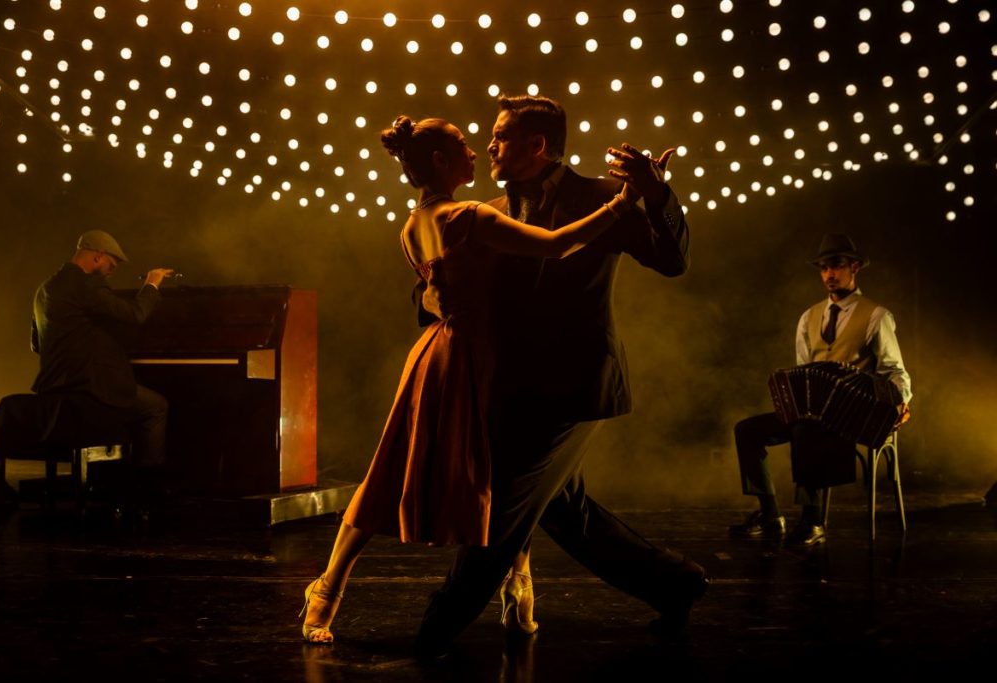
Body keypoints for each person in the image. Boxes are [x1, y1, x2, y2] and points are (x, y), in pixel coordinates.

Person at [298, 115, 646, 644]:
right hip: (466, 360)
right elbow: (555, 245)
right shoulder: (469, 214)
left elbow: (439, 292)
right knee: (484, 476)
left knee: (474, 474)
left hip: (443, 354)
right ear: (439, 161)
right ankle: (507, 585)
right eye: (463, 144)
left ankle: (330, 589)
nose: (478, 150)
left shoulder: (411, 225)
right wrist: (622, 205)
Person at [414, 95, 706, 657]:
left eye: (499, 135)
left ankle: (436, 630)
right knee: (568, 515)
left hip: (575, 385)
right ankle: (678, 584)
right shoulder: (491, 210)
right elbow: (457, 293)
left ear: (537, 145)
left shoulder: (602, 198)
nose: (490, 145)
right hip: (511, 389)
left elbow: (673, 262)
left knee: (501, 511)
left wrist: (655, 195)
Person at [729, 234, 912, 546]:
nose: (829, 274)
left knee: (806, 428)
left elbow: (894, 371)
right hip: (812, 414)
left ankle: (813, 521)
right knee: (747, 430)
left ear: (854, 267)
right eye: (824, 268)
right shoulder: (808, 317)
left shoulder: (876, 316)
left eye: (837, 266)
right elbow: (803, 370)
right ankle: (770, 514)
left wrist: (900, 402)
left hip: (852, 416)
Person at [31, 230, 175, 499]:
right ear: (98, 256)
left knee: (132, 402)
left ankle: (112, 483)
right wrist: (152, 284)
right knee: (156, 407)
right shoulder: (87, 285)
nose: (111, 272)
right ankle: (146, 489)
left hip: (52, 393)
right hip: (88, 390)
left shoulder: (45, 289)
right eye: (112, 264)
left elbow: (37, 344)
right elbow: (135, 314)